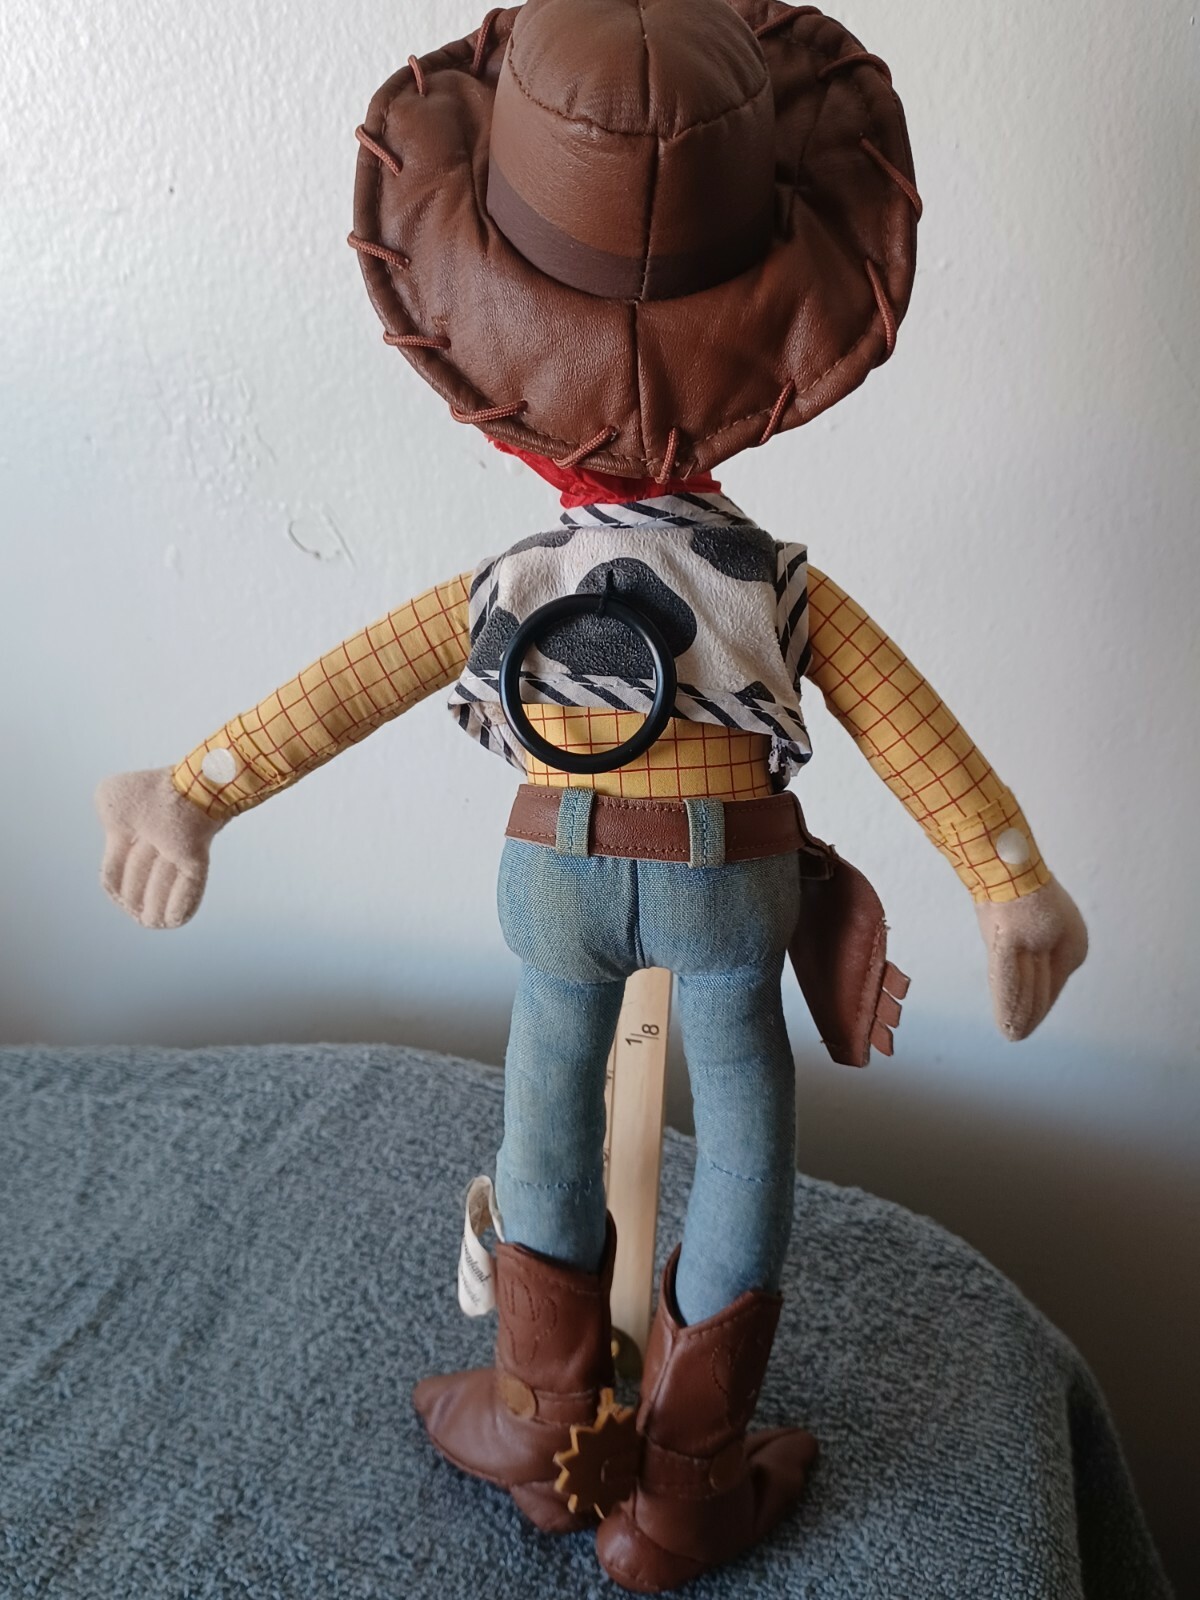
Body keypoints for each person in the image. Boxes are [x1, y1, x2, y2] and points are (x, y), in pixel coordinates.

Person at [95, 1, 1087, 1590]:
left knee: (543, 1093)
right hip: (729, 873)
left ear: (498, 325)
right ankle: (683, 1483)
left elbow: (356, 679)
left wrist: (198, 789)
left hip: (553, 864)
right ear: (770, 333)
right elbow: (907, 721)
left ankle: (543, 1427)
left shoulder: (514, 576)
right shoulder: (775, 579)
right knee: (746, 1113)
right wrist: (1008, 872)